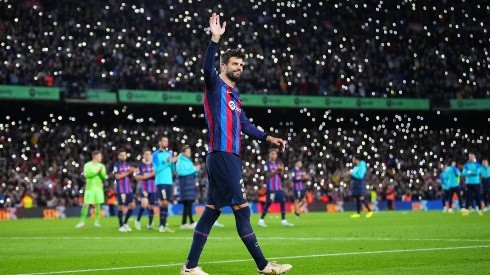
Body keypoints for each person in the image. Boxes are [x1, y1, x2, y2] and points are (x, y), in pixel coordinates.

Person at [180, 13, 292, 275]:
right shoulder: (215, 85)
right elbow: (206, 68)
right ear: (224, 65)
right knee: (242, 210)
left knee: (211, 212)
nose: (239, 67)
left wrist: (269, 138)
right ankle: (264, 266)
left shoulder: (235, 95)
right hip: (223, 155)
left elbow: (245, 124)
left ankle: (190, 267)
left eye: (242, 64)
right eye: (235, 63)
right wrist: (215, 39)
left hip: (226, 155)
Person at [258, 149, 294, 227]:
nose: (274, 155)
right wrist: (277, 171)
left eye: (275, 154)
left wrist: (282, 171)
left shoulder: (278, 164)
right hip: (271, 188)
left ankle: (283, 220)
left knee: (283, 201)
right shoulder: (266, 164)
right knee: (268, 203)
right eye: (272, 154)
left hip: (278, 187)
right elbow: (267, 175)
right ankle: (261, 220)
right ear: (269, 155)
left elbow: (280, 177)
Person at [153, 135, 177, 233]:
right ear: (160, 142)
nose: (165, 143)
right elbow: (156, 170)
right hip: (161, 181)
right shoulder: (155, 155)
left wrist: (172, 163)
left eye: (166, 141)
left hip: (169, 181)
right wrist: (168, 162)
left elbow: (172, 170)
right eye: (164, 141)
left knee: (166, 203)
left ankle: (164, 225)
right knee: (162, 203)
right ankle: (161, 225)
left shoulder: (169, 153)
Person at [76, 150, 106, 228]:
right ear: (95, 156)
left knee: (98, 205)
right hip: (90, 188)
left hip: (99, 188)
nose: (101, 157)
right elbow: (87, 175)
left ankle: (97, 222)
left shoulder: (102, 166)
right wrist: (97, 172)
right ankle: (82, 221)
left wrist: (100, 173)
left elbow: (103, 177)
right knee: (86, 204)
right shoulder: (87, 165)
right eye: (100, 156)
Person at [176, 145, 200, 229]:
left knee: (187, 204)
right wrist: (194, 170)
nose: (189, 153)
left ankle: (184, 223)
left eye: (190, 151)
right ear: (183, 152)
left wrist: (196, 171)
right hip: (185, 185)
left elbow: (191, 172)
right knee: (188, 203)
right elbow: (181, 172)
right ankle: (191, 222)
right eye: (187, 151)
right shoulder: (180, 161)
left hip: (189, 184)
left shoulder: (188, 161)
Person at [113, 148, 137, 232]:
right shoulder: (116, 165)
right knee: (121, 207)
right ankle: (121, 226)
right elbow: (117, 176)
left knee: (132, 205)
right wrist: (128, 172)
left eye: (124, 155)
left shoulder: (128, 164)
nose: (123, 156)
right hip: (121, 189)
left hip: (128, 189)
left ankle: (125, 223)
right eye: (121, 155)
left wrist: (133, 172)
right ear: (119, 156)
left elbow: (131, 176)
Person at [134, 148, 156, 230]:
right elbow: (137, 177)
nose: (147, 156)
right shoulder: (140, 165)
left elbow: (157, 175)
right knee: (144, 204)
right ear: (143, 155)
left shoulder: (154, 165)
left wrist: (149, 175)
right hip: (144, 187)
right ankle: (137, 221)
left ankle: (150, 224)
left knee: (151, 206)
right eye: (146, 154)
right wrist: (146, 176)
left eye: (149, 154)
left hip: (153, 188)